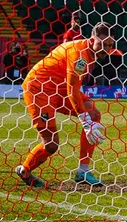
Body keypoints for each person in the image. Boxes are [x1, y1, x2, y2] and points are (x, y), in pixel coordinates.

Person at [15, 22, 115, 188]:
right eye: (103, 44)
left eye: (110, 45)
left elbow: (72, 88)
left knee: (94, 114)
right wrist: (84, 121)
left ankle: (83, 171)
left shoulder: (92, 53)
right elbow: (72, 90)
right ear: (92, 40)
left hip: (59, 89)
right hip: (39, 89)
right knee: (51, 144)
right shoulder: (80, 55)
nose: (106, 48)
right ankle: (24, 170)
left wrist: (88, 119)